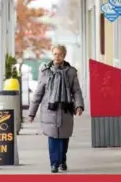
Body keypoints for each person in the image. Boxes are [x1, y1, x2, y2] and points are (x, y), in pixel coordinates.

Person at [28, 45, 84, 173]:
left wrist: (79, 105)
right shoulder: (45, 71)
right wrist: (32, 113)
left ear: (64, 55)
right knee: (53, 138)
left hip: (66, 109)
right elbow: (38, 93)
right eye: (54, 54)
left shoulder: (71, 72)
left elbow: (76, 91)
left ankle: (62, 160)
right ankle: (54, 163)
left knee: (64, 138)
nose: (56, 57)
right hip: (50, 110)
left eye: (59, 54)